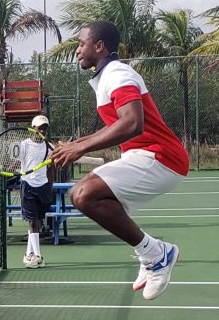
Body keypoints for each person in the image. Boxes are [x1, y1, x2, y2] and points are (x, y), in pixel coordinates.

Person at [50, 21, 189, 300]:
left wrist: (80, 148)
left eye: (81, 43)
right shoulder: (105, 78)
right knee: (90, 196)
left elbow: (133, 123)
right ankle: (152, 253)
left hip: (161, 156)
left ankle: (156, 254)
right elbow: (120, 124)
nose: (77, 50)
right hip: (145, 155)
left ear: (99, 46)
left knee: (83, 193)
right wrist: (77, 144)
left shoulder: (117, 73)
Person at [20, 115, 54, 268]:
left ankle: (29, 255)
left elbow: (51, 169)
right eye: (40, 127)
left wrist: (49, 186)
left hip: (43, 187)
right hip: (27, 185)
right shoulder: (24, 145)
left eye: (45, 127)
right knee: (33, 221)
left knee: (38, 221)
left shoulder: (50, 147)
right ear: (33, 128)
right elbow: (19, 163)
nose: (42, 130)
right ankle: (38, 256)